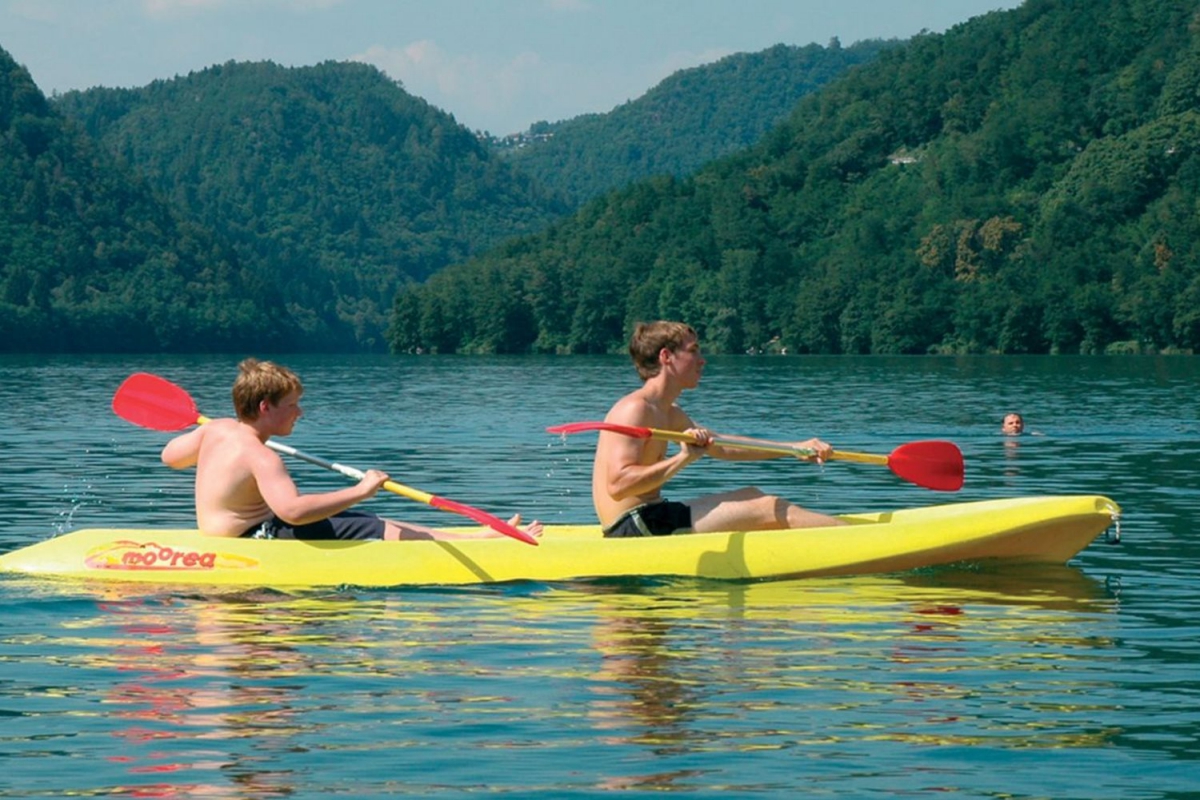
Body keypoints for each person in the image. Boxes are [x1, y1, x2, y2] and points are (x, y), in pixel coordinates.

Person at [161, 358, 541, 541]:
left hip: (222, 534)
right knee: (369, 523)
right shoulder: (262, 456)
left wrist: (207, 433)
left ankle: (469, 536)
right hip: (256, 537)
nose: (299, 412)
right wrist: (361, 488)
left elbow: (171, 457)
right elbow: (292, 511)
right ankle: (478, 541)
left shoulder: (216, 430)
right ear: (265, 407)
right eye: (292, 405)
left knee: (358, 516)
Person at [591, 321, 845, 537]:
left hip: (654, 515)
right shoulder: (635, 409)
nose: (702, 360)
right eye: (693, 351)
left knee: (751, 494)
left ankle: (834, 535)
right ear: (666, 357)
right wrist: (682, 458)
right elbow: (618, 485)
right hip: (631, 526)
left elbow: (721, 446)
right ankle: (853, 540)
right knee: (766, 508)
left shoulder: (669, 412)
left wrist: (795, 448)